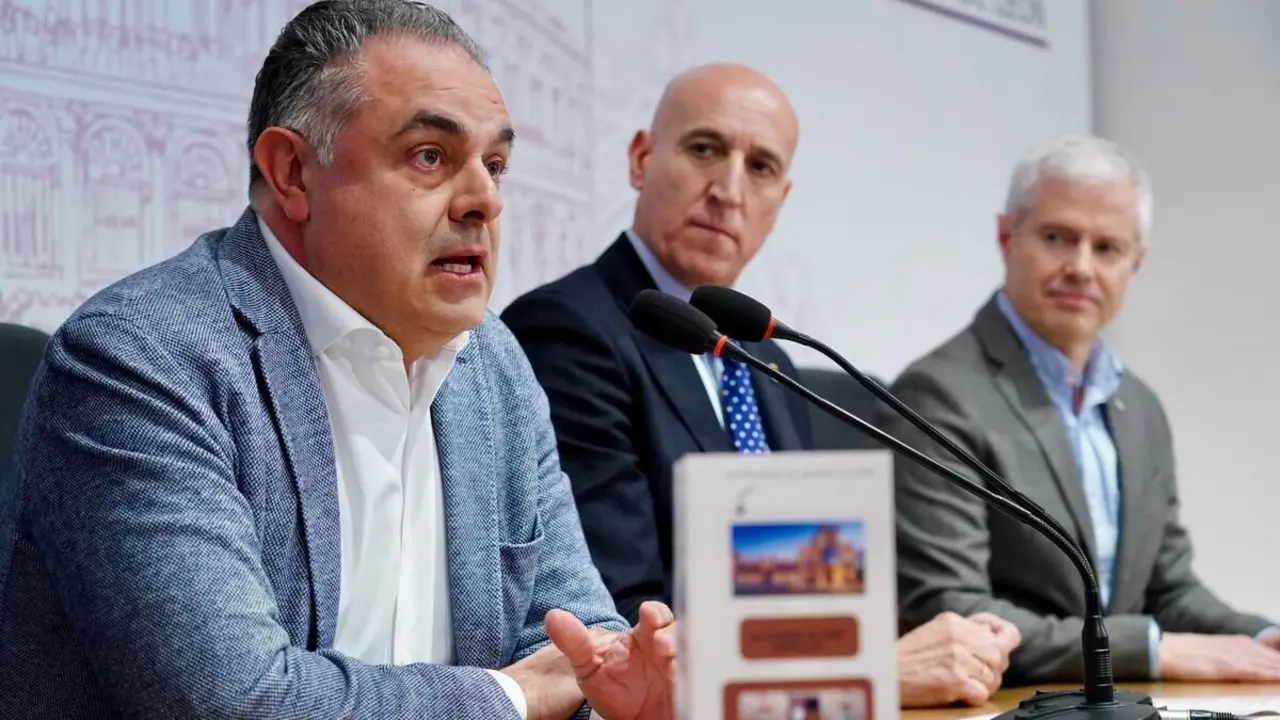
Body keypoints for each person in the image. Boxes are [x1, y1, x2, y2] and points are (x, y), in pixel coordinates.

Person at [0, 2, 675, 718]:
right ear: (293, 172)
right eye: (430, 157)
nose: (484, 200)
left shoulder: (493, 366)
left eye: (496, 164)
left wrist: (619, 695)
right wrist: (509, 696)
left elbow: (578, 646)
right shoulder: (143, 360)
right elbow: (235, 703)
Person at [501, 63, 1020, 708]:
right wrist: (867, 668)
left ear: (782, 199)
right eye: (704, 149)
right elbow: (626, 618)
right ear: (640, 159)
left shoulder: (766, 355)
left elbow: (807, 587)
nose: (729, 189)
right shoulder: (568, 329)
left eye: (761, 167)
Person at [885, 133, 1280, 685]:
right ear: (1006, 237)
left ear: (1135, 264)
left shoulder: (1139, 406)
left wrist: (1262, 637)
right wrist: (1152, 650)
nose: (1081, 267)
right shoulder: (937, 394)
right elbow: (954, 610)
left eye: (1107, 248)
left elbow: (1169, 589)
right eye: (1057, 237)